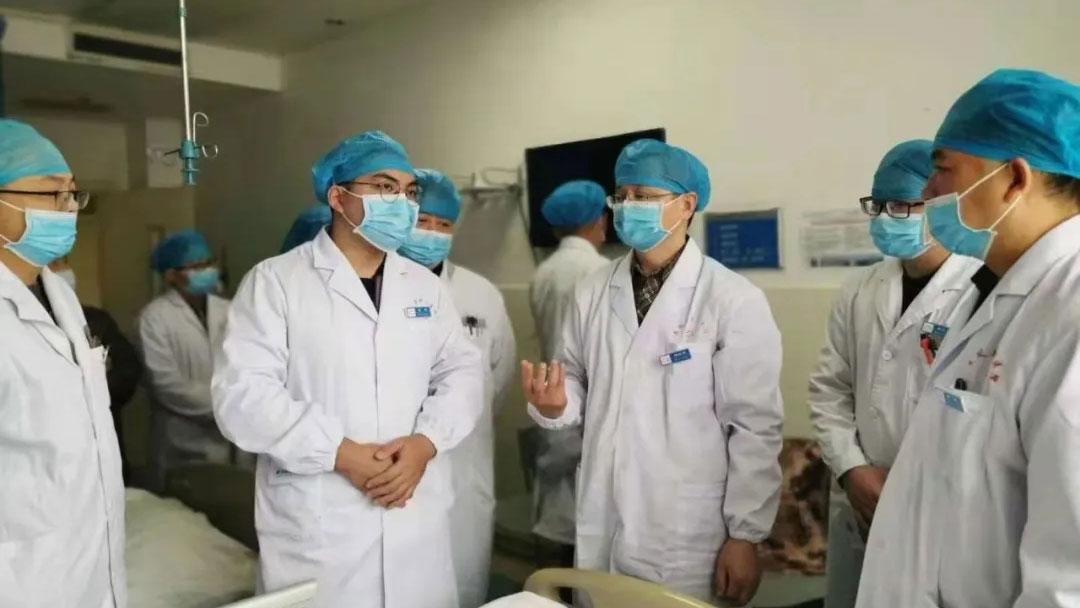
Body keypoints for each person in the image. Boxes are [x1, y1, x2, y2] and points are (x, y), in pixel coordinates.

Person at [212, 131, 483, 608]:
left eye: (409, 191)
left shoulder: (425, 287)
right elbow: (243, 396)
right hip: (321, 524)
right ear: (338, 198)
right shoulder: (276, 282)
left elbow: (462, 372)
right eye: (384, 187)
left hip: (413, 516)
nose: (402, 202)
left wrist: (425, 443)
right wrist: (340, 453)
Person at [523, 139, 784, 605]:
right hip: (602, 510)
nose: (628, 207)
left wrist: (746, 535)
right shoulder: (592, 289)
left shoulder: (732, 298)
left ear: (687, 205)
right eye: (621, 196)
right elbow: (575, 376)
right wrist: (559, 404)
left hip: (685, 527)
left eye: (643, 196)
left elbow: (753, 426)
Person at [856, 69, 1080, 607]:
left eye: (942, 169)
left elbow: (1067, 581)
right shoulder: (1000, 289)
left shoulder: (1069, 310)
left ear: (1015, 178)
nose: (927, 191)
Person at [807, 140, 981, 608]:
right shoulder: (860, 288)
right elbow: (829, 389)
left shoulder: (980, 288)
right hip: (860, 499)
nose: (887, 217)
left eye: (903, 205)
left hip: (942, 508)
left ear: (942, 204)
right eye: (879, 205)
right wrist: (851, 468)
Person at [0, 119, 126, 606]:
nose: (70, 208)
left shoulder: (59, 295)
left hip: (90, 561)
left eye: (73, 193)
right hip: (21, 577)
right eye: (52, 193)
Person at [398, 168, 517, 608]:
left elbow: (496, 380)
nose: (432, 232)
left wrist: (458, 422)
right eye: (422, 220)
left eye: (443, 224)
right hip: (397, 466)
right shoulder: (375, 285)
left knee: (464, 582)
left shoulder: (480, 294)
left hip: (466, 468)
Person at [527, 179, 610, 565]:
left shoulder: (544, 272)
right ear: (598, 220)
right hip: (591, 403)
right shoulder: (603, 272)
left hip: (555, 398)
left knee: (563, 519)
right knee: (591, 530)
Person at [139, 229, 233, 490]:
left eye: (208, 263)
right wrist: (226, 406)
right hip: (182, 443)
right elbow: (166, 385)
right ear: (171, 275)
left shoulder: (228, 309)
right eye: (196, 266)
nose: (207, 270)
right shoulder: (154, 318)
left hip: (234, 441)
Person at [50, 257, 143, 481]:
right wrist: (95, 377)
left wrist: (87, 388)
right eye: (52, 263)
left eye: (62, 261)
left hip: (105, 442)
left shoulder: (97, 320)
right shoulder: (18, 325)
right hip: (55, 453)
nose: (61, 269)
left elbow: (128, 371)